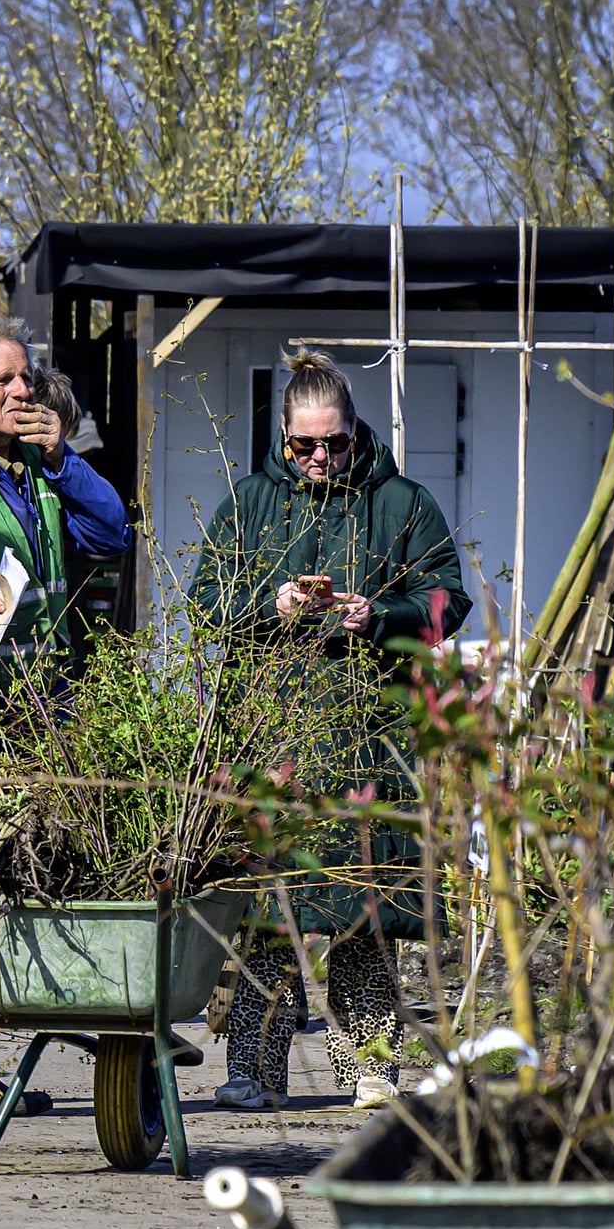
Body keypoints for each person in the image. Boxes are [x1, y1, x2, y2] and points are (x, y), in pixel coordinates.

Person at [190, 350, 468, 1113]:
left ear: (355, 431)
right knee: (269, 909)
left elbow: (448, 600)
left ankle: (369, 1068)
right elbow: (206, 602)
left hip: (369, 735)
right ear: (283, 437)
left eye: (334, 443)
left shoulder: (402, 503)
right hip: (272, 734)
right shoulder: (249, 503)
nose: (319, 458)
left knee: (363, 908)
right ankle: (254, 1070)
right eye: (303, 445)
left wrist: (381, 615)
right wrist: (268, 606)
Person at [0, 318, 129, 687]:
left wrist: (62, 459)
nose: (22, 391)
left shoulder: (43, 459)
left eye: (26, 377)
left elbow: (111, 536)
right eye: (4, 380)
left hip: (49, 687)